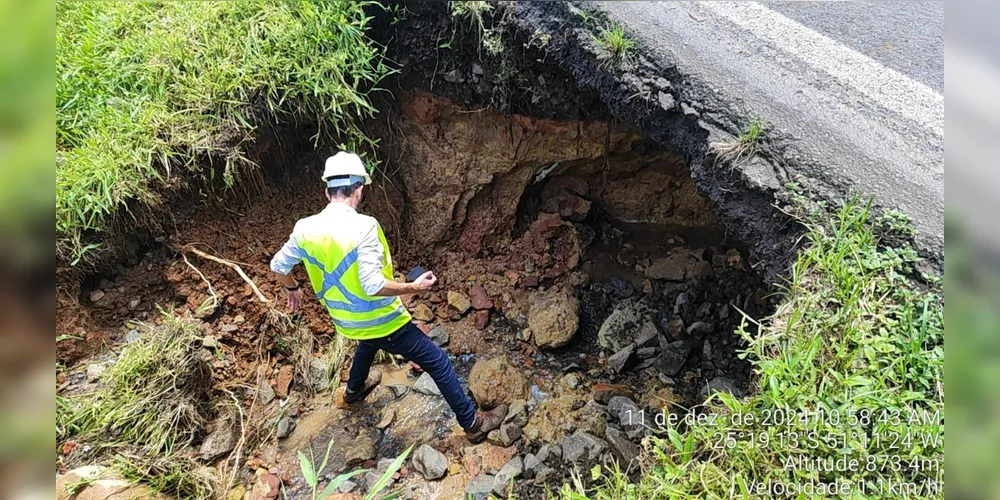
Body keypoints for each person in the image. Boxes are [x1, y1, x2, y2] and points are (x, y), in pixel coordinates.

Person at [269, 152, 507, 443]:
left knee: (368, 342)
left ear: (327, 191)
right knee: (439, 363)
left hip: (346, 322)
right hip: (382, 320)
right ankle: (473, 424)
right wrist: (414, 288)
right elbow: (372, 286)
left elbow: (278, 266)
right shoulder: (364, 226)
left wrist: (292, 289)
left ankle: (354, 391)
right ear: (359, 189)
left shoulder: (305, 228)